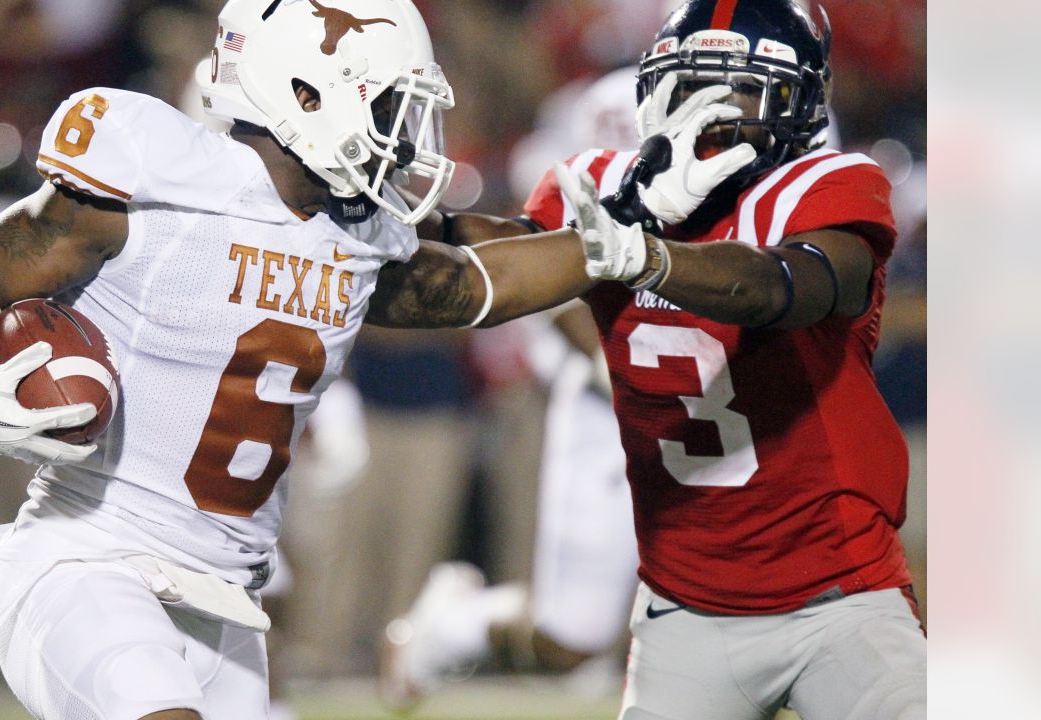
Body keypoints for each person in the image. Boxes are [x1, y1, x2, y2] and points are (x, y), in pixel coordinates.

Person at [0, 1, 609, 719]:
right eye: (386, 106)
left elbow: (486, 269)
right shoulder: (156, 177)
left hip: (222, 599)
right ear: (304, 92)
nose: (402, 135)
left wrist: (629, 244)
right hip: (86, 563)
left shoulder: (356, 232)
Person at [391, 1, 927, 718]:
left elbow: (778, 287)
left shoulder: (827, 187)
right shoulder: (609, 186)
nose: (704, 109)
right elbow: (490, 253)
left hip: (841, 599)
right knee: (571, 633)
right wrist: (369, 209)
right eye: (686, 84)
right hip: (689, 608)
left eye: (735, 86)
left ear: (797, 103)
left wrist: (644, 253)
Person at [381, 66, 646, 710]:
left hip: (728, 402)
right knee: (571, 639)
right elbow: (549, 265)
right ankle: (452, 629)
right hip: (607, 403)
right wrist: (631, 371)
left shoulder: (780, 89)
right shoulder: (610, 103)